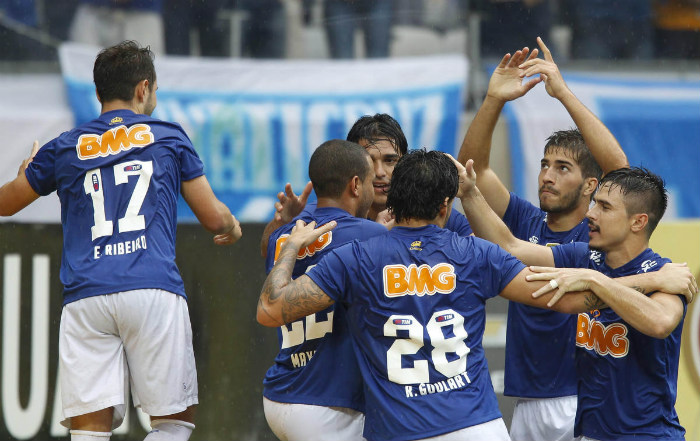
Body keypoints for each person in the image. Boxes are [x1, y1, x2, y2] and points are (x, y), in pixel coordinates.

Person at [257, 149, 641, 441]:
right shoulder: (475, 254)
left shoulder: (355, 258)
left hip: (399, 430)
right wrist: (644, 282)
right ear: (445, 205)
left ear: (392, 198)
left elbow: (271, 309)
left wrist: (289, 247)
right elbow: (569, 299)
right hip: (476, 427)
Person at [0, 41, 242, 441]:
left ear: (98, 92)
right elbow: (213, 218)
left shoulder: (64, 146)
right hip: (151, 288)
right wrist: (232, 227)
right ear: (144, 88)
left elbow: (7, 204)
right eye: (155, 90)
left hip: (86, 296)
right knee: (173, 423)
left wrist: (24, 172)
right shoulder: (167, 136)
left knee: (88, 432)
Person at [457, 37, 629, 441]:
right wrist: (493, 100)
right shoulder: (522, 218)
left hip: (583, 396)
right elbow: (472, 172)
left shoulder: (599, 234)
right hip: (527, 401)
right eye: (544, 165)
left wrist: (562, 93)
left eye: (562, 168)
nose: (547, 176)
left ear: (591, 185)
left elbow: (621, 171)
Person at [458, 162, 696, 440]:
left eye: (604, 207)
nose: (591, 214)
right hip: (590, 433)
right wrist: (470, 194)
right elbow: (510, 247)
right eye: (595, 204)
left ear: (638, 222)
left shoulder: (667, 275)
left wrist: (594, 280)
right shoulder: (584, 257)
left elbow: (660, 322)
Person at [261, 139, 386, 440]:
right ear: (356, 185)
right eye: (370, 181)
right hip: (329, 403)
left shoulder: (283, 236)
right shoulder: (370, 234)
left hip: (280, 393)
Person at [260, 113, 472, 258]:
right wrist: (282, 223)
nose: (379, 172)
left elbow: (484, 258)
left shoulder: (434, 210)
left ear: (405, 163)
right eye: (370, 161)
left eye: (390, 161)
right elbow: (268, 252)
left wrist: (471, 195)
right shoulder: (317, 216)